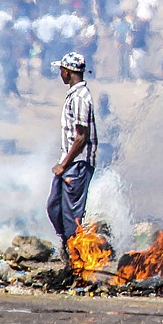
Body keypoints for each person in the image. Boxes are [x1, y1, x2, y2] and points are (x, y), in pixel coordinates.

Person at [46, 52, 98, 269]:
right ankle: (69, 249)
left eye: (61, 70)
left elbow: (81, 137)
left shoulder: (79, 98)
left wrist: (63, 164)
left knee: (71, 217)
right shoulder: (74, 95)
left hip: (76, 165)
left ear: (67, 72)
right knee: (54, 207)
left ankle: (77, 262)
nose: (60, 73)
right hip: (69, 163)